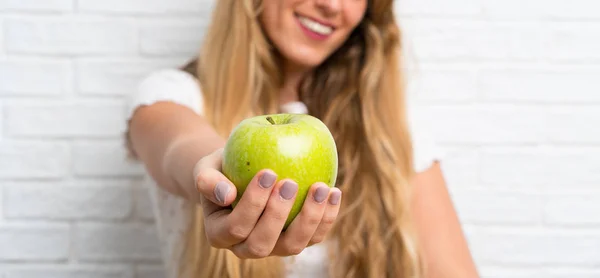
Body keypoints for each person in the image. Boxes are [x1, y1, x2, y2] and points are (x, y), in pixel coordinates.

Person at [124, 0, 480, 277]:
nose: (333, 5)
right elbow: (179, 147)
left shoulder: (390, 131)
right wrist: (219, 173)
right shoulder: (174, 96)